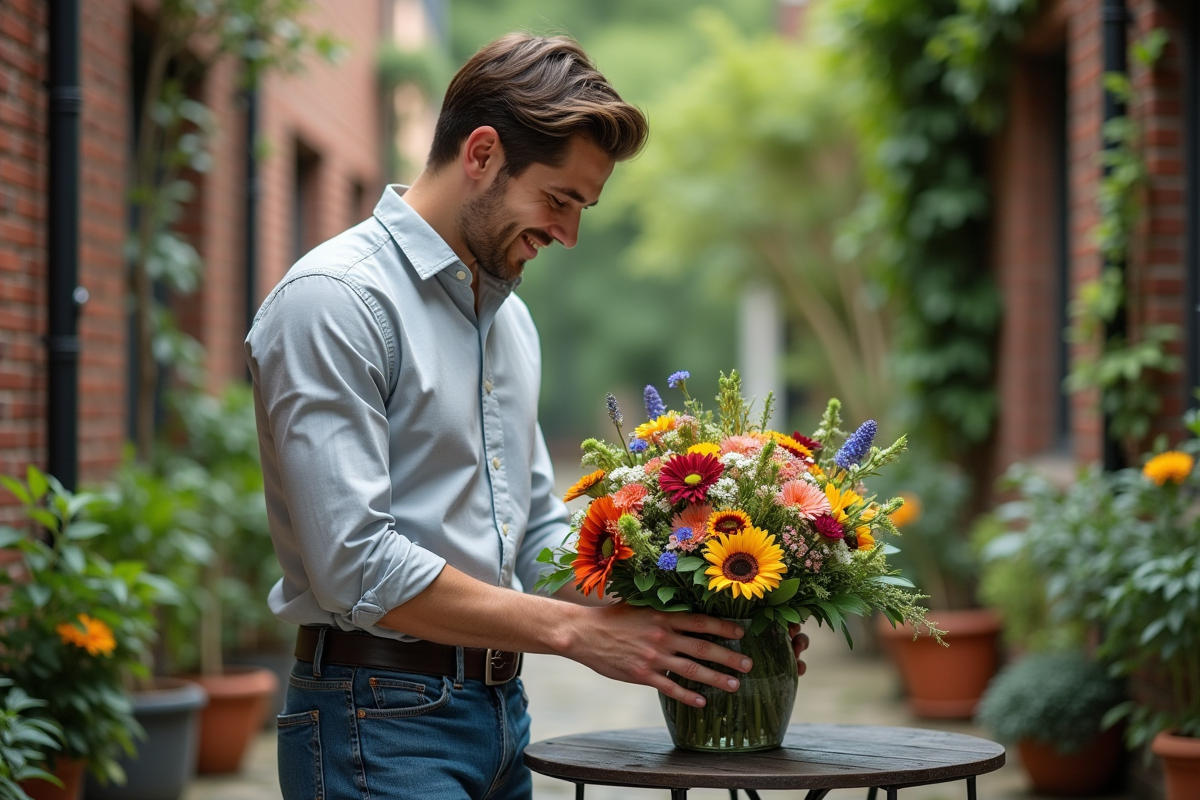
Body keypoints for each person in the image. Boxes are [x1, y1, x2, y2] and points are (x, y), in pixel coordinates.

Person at [245, 33, 808, 800]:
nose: (569, 235)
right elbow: (357, 565)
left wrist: (705, 618)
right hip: (375, 720)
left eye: (583, 207)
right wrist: (577, 634)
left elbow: (537, 534)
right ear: (481, 154)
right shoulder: (335, 302)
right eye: (559, 199)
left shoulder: (509, 319)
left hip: (503, 719)